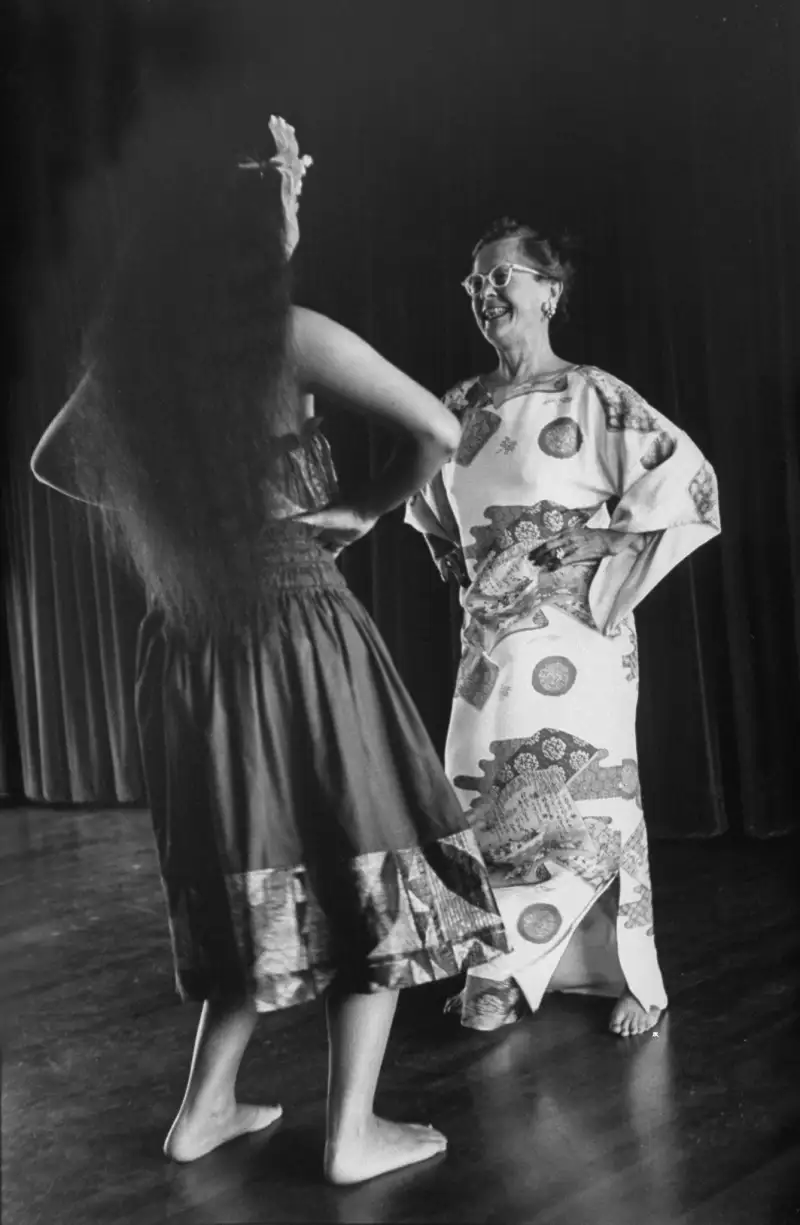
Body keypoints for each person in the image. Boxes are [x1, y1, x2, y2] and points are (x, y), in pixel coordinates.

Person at [30, 117, 509, 1185]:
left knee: (255, 866)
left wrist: (189, 516)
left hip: (187, 646)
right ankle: (351, 1132)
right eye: (286, 204)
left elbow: (57, 464)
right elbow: (436, 427)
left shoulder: (130, 353)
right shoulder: (285, 332)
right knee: (362, 856)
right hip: (294, 626)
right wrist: (363, 509)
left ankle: (203, 1109)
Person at [405, 217, 720, 1038]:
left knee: (591, 796)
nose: (484, 293)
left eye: (499, 276)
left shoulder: (595, 395)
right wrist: (453, 555)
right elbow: (429, 504)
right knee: (484, 802)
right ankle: (499, 970)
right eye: (473, 282)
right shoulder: (459, 406)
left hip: (580, 640)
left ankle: (632, 976)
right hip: (491, 653)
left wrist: (609, 538)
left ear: (550, 290)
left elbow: (689, 479)